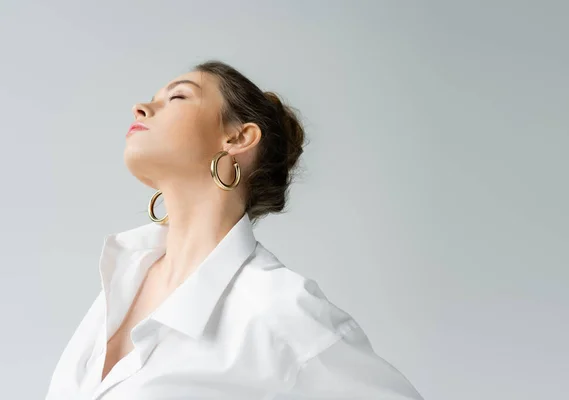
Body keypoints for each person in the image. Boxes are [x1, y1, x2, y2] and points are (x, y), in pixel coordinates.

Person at [45, 60, 423, 400]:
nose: (142, 107)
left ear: (238, 138)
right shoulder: (123, 278)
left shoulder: (277, 308)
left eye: (177, 97)